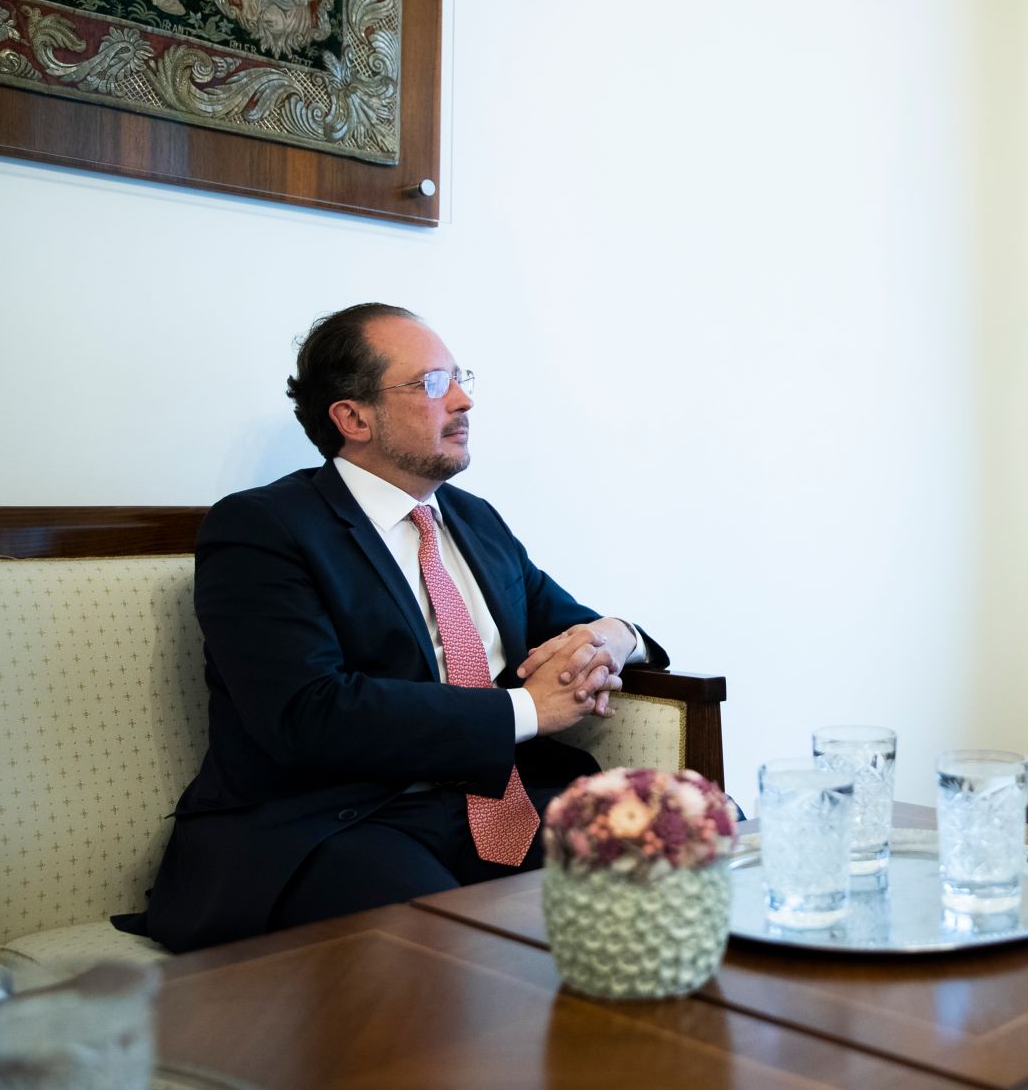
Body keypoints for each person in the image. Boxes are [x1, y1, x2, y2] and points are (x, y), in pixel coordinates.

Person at [126, 303, 666, 953]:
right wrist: (525, 708)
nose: (464, 400)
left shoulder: (475, 520)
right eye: (432, 384)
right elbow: (308, 713)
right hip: (335, 821)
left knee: (695, 835)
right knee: (446, 950)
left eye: (459, 376)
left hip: (497, 799)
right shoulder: (263, 529)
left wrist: (612, 636)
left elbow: (570, 628)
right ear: (352, 417)